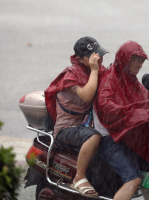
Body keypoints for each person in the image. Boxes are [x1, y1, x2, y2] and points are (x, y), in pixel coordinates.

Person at [93, 41, 149, 200]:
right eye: (136, 60)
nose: (139, 65)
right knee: (133, 179)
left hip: (128, 133)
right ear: (125, 59)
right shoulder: (109, 79)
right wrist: (131, 110)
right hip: (109, 137)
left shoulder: (132, 80)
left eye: (142, 61)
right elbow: (105, 105)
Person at [44, 36, 108, 198]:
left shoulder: (94, 70)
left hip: (87, 124)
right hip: (67, 129)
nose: (98, 59)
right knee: (94, 137)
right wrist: (94, 70)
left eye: (98, 54)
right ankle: (79, 177)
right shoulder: (71, 75)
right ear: (80, 58)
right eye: (93, 56)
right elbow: (87, 95)